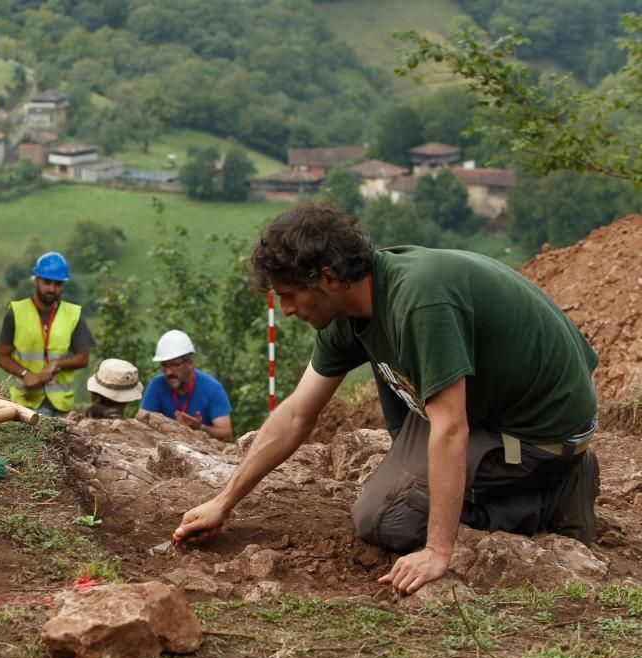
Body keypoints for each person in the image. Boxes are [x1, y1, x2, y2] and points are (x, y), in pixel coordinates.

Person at [174, 201, 600, 595]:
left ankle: (552, 494)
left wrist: (437, 550)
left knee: (384, 519)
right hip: (485, 401)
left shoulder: (418, 301)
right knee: (393, 401)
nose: (285, 309)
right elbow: (297, 414)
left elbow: (451, 428)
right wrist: (222, 501)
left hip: (537, 429)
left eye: (288, 295)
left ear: (328, 277)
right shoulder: (353, 307)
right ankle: (490, 483)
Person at [0, 251, 95, 416]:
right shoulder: (16, 312)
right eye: (47, 282)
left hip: (61, 407)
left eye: (57, 284)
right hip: (23, 403)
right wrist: (25, 374)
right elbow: (2, 356)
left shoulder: (73, 314)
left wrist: (57, 364)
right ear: (36, 280)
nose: (52, 288)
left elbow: (83, 358)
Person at [137, 330, 233, 442]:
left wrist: (200, 428)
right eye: (164, 366)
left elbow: (226, 434)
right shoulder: (157, 385)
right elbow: (140, 424)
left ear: (190, 363)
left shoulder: (212, 388)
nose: (168, 372)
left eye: (175, 365)